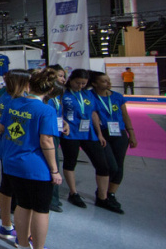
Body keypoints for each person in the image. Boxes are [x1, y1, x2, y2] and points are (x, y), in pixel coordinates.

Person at [0, 68, 63, 249]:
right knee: (41, 209)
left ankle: (23, 247)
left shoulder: (14, 103)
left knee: (23, 205)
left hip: (12, 163)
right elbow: (47, 141)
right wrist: (54, 170)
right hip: (35, 166)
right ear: (49, 90)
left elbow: (5, 127)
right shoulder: (46, 110)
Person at [58, 69, 119, 212]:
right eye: (78, 83)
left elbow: (93, 114)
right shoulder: (62, 93)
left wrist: (99, 133)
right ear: (70, 80)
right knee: (70, 162)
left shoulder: (88, 94)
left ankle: (102, 197)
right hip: (70, 133)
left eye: (83, 83)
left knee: (103, 165)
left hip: (89, 133)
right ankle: (73, 193)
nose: (80, 86)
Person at [0, 69, 31, 241]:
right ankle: (22, 236)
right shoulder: (17, 101)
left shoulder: (8, 97)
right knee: (16, 187)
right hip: (15, 148)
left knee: (7, 183)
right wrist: (0, 127)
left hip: (8, 145)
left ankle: (7, 225)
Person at [89, 71, 137, 213]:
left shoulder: (117, 97)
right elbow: (94, 115)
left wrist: (131, 133)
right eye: (104, 81)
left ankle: (110, 194)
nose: (108, 83)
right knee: (111, 166)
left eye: (108, 80)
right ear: (94, 83)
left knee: (119, 166)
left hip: (119, 134)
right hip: (102, 134)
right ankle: (102, 193)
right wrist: (98, 133)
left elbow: (125, 115)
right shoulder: (90, 97)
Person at [47, 64, 70, 212]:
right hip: (47, 134)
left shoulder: (58, 95)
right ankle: (50, 199)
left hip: (56, 132)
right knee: (51, 165)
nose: (63, 79)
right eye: (60, 76)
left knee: (55, 163)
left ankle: (53, 197)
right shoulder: (46, 96)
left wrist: (64, 122)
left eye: (63, 76)